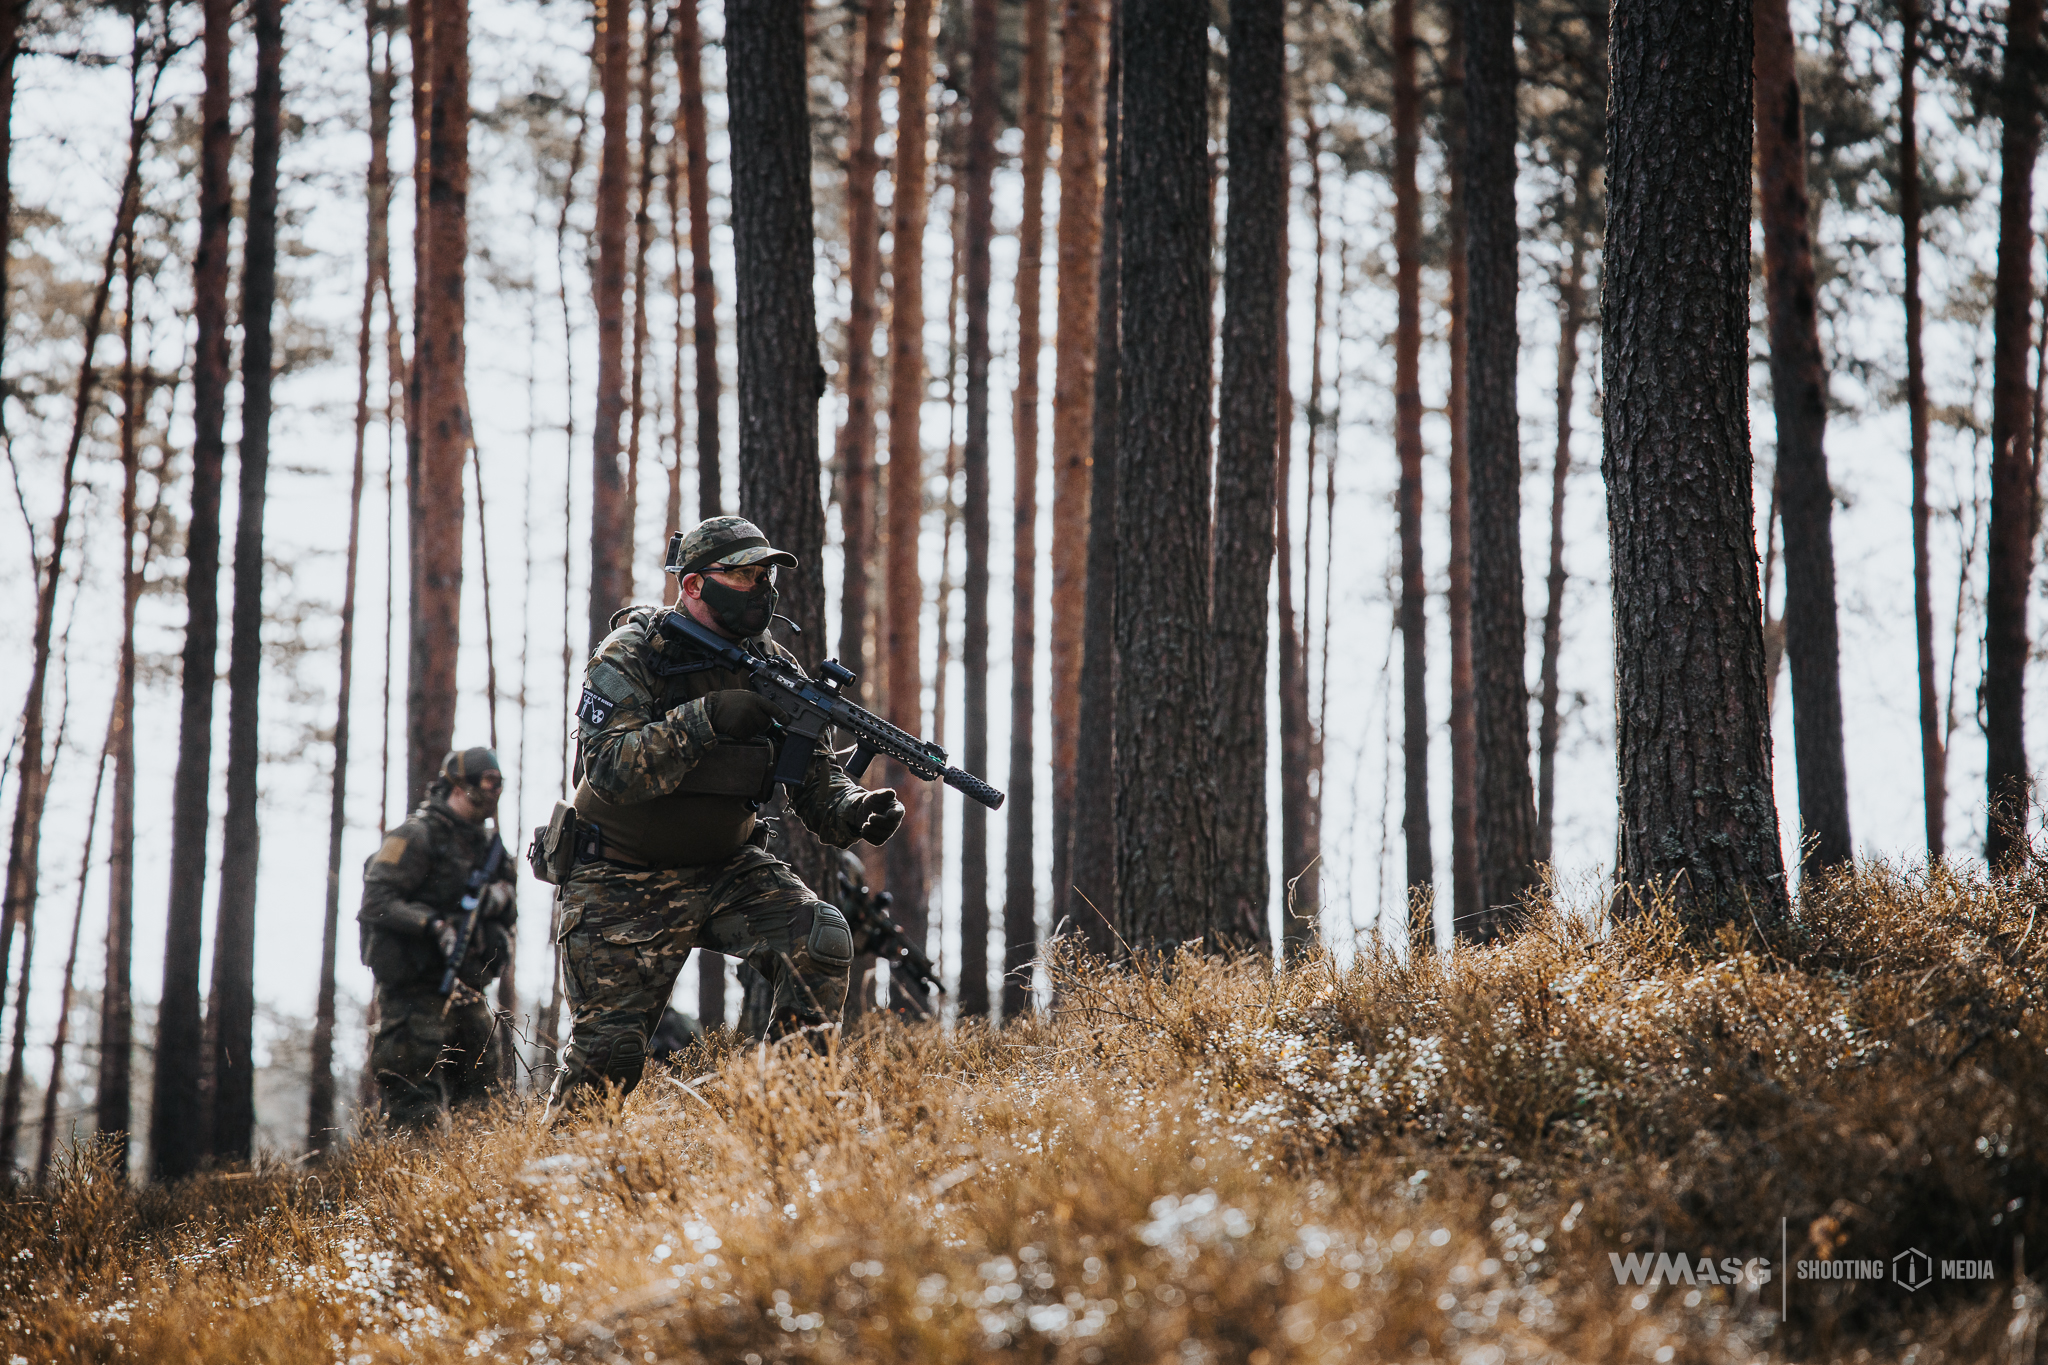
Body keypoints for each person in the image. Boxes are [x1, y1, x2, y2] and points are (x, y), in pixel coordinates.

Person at [545, 516, 905, 1117]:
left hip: (725, 869)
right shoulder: (632, 653)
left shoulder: (772, 662)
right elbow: (610, 768)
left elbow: (814, 776)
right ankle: (556, 1188)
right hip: (618, 876)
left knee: (819, 937)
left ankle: (789, 1122)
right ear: (691, 586)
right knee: (608, 1061)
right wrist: (709, 717)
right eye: (741, 575)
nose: (760, 588)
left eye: (765, 575)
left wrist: (853, 809)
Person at [358, 747, 517, 1130]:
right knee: (415, 1113)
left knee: (484, 1113)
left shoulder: (487, 847)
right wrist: (434, 926)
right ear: (460, 784)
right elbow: (376, 901)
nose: (496, 791)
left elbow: (509, 907)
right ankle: (412, 1188)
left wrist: (499, 897)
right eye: (489, 781)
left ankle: (479, 1190)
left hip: (469, 991)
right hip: (415, 996)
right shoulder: (416, 835)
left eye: (500, 783)